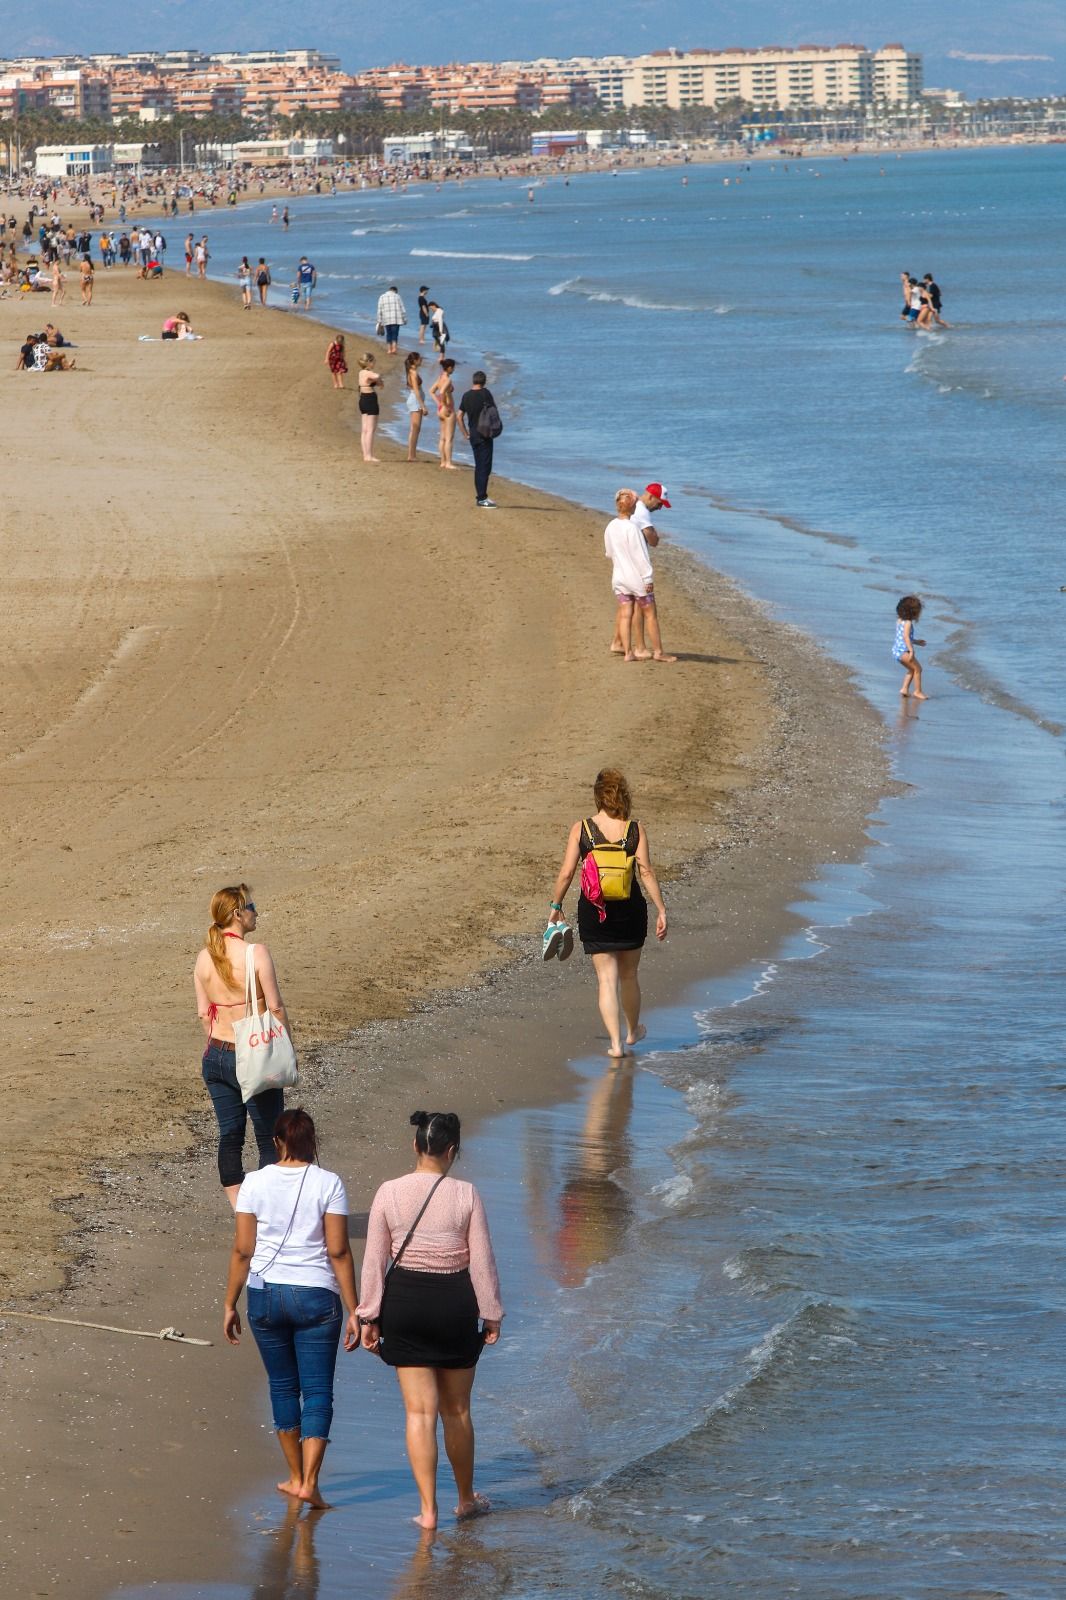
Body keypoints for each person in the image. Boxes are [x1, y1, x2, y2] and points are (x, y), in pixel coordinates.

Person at [358, 1111, 502, 1529]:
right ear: (452, 1151)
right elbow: (482, 1260)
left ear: (416, 1146)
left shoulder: (389, 1191)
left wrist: (369, 1315)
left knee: (419, 1413)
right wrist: (490, 1312)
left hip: (405, 1303)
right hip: (454, 1303)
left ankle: (427, 1511)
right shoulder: (466, 1193)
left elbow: (375, 1259)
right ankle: (464, 1500)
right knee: (456, 1411)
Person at [224, 1108, 360, 1510]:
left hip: (265, 1295)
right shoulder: (329, 1183)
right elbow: (337, 1250)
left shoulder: (253, 1182)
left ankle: (295, 1476)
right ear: (312, 1142)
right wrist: (355, 1308)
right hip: (316, 1295)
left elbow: (243, 1249)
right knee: (317, 1391)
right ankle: (310, 1483)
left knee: (283, 1386)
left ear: (276, 1142)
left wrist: (229, 1303)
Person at [545, 769, 668, 1058]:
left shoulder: (583, 829)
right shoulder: (635, 829)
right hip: (630, 911)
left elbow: (566, 873)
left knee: (606, 979)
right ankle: (633, 1031)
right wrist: (661, 909)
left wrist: (555, 907)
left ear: (598, 795)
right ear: (623, 794)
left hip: (594, 910)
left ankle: (615, 1045)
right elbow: (646, 871)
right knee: (629, 975)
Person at [193, 884, 294, 1208]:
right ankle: (264, 1211)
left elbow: (203, 1015)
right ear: (237, 914)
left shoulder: (204, 957)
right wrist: (288, 1048)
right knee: (268, 1138)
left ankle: (241, 1210)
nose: (256, 912)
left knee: (230, 1135)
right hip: (252, 1055)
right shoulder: (255, 953)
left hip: (216, 1055)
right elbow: (276, 1008)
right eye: (251, 906)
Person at [604, 489, 676, 663]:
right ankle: (658, 652)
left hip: (619, 576)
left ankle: (628, 652)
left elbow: (609, 552)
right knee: (650, 613)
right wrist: (648, 578)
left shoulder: (610, 526)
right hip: (636, 579)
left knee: (625, 613)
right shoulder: (633, 529)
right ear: (633, 507)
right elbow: (641, 556)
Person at [458, 370, 498, 508]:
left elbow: (459, 416)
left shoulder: (466, 395)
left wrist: (465, 433)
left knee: (478, 465)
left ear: (473, 381)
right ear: (484, 382)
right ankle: (481, 498)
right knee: (484, 467)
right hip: (485, 434)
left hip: (473, 435)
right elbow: (493, 411)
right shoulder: (486, 394)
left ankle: (481, 496)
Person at [893, 594, 927, 699]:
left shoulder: (899, 621)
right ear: (913, 612)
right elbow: (906, 637)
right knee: (918, 669)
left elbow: (904, 637)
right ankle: (917, 691)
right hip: (904, 651)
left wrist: (917, 642)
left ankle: (904, 689)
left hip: (896, 651)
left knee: (912, 670)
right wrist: (911, 651)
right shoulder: (908, 623)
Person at [430, 357, 458, 469]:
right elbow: (441, 392)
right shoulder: (448, 379)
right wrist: (445, 405)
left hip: (440, 410)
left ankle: (442, 461)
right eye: (453, 368)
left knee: (442, 437)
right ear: (450, 368)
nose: (454, 370)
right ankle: (448, 462)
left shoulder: (440, 377)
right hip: (447, 410)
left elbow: (431, 391)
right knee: (449, 438)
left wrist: (439, 404)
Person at [357, 352, 383, 462]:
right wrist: (377, 379)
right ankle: (369, 455)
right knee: (370, 430)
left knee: (365, 429)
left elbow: (378, 383)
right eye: (373, 361)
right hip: (370, 400)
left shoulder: (361, 372)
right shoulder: (368, 372)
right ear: (369, 362)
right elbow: (377, 377)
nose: (374, 363)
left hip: (363, 399)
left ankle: (365, 454)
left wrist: (376, 381)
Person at [404, 351, 428, 460]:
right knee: (415, 429)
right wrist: (423, 406)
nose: (421, 360)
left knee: (416, 429)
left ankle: (412, 454)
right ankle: (411, 455)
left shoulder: (413, 371)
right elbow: (416, 390)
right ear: (415, 360)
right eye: (420, 358)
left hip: (415, 400)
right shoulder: (412, 373)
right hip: (415, 400)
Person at [376, 284, 407, 354]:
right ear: (395, 291)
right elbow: (402, 309)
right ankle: (394, 349)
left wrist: (379, 320)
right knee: (395, 334)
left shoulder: (382, 297)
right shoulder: (397, 296)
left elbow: (379, 310)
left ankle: (389, 350)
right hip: (396, 318)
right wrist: (404, 320)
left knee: (388, 334)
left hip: (386, 319)